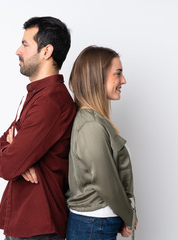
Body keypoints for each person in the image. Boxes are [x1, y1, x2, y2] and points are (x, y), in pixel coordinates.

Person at [0, 16, 76, 240]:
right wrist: (13, 154)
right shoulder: (37, 95)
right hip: (25, 223)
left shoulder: (50, 102)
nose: (18, 51)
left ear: (46, 51)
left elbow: (8, 167)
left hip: (38, 228)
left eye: (25, 44)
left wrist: (15, 158)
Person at [66, 46, 137, 240]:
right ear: (98, 77)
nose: (123, 80)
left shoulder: (95, 121)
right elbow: (105, 181)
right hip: (94, 225)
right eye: (118, 74)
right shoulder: (91, 125)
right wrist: (129, 216)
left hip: (96, 224)